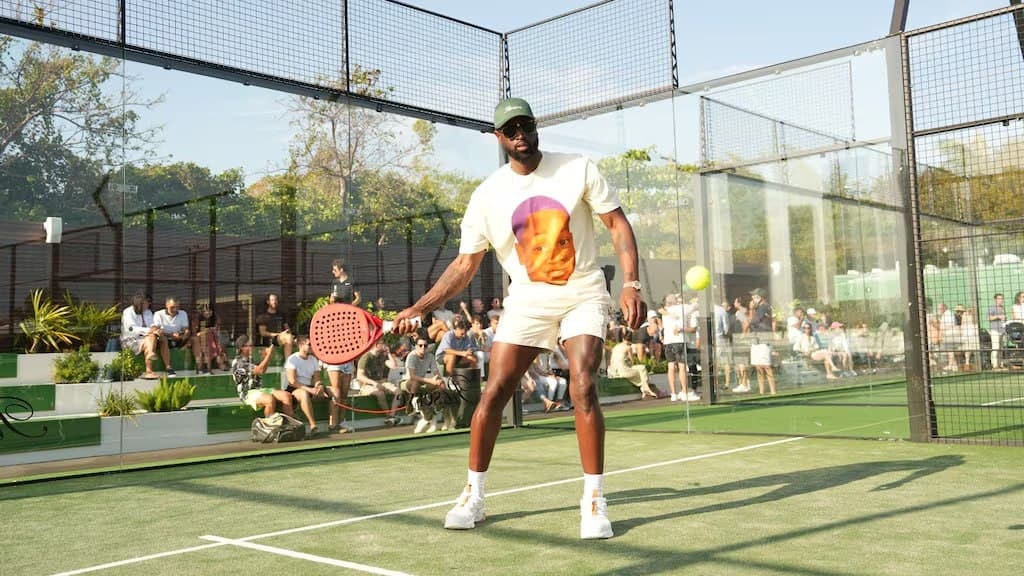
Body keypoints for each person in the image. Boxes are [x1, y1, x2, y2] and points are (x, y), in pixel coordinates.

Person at [394, 97, 645, 539]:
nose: (520, 135)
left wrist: (631, 283)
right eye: (510, 130)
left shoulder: (577, 168)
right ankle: (474, 495)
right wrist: (420, 307)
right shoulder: (487, 195)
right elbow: (463, 266)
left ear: (535, 127)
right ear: (499, 138)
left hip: (583, 291)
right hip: (527, 301)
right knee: (495, 392)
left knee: (583, 382)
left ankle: (594, 501)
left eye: (526, 126)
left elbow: (617, 225)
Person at [232, 335, 294, 417]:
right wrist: (268, 355)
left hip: (259, 390)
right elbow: (260, 370)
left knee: (286, 396)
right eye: (250, 345)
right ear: (242, 347)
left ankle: (290, 421)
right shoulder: (238, 362)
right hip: (247, 394)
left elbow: (262, 368)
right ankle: (269, 424)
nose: (253, 347)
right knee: (269, 399)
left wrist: (266, 356)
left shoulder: (250, 359)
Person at [283, 336, 327, 437]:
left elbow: (317, 378)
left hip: (309, 387)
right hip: (294, 389)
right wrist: (310, 390)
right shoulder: (292, 359)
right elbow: (292, 381)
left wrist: (319, 386)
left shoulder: (313, 359)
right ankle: (313, 426)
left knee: (334, 391)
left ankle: (335, 424)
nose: (312, 347)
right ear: (300, 345)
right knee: (304, 394)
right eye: (309, 344)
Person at [120, 291, 161, 379]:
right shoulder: (128, 312)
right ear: (139, 303)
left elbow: (151, 324)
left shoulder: (148, 312)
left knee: (152, 337)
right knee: (151, 338)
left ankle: (150, 360)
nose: (149, 305)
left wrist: (154, 328)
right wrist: (149, 330)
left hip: (145, 339)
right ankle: (149, 369)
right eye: (147, 302)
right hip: (131, 341)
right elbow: (131, 329)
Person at [152, 296, 190, 377]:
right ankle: (168, 367)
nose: (175, 310)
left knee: (195, 339)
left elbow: (185, 329)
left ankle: (200, 366)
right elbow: (156, 329)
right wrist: (170, 335)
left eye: (177, 307)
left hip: (179, 339)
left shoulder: (183, 313)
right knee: (163, 339)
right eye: (172, 307)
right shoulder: (158, 314)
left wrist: (183, 335)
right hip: (165, 339)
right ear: (166, 305)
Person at [256, 293, 294, 359]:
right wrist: (278, 334)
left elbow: (287, 328)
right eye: (272, 300)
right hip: (271, 340)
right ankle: (288, 363)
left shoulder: (281, 314)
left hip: (282, 337)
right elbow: (263, 333)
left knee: (302, 341)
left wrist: (292, 336)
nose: (275, 302)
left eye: (276, 300)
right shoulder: (263, 316)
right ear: (268, 302)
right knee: (288, 338)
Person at [192, 304, 227, 375]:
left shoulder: (214, 318)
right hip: (200, 338)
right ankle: (215, 363)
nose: (208, 312)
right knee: (208, 336)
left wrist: (211, 331)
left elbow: (217, 330)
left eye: (210, 310)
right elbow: (195, 334)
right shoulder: (198, 319)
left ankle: (208, 366)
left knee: (212, 336)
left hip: (211, 339)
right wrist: (207, 330)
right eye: (206, 311)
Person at [988, 293, 1006, 369]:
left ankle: (1000, 364)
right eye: (999, 298)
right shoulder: (992, 307)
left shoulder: (1002, 308)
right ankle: (994, 365)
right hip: (994, 330)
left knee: (1001, 348)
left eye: (1002, 298)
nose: (1001, 300)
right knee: (996, 347)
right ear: (995, 299)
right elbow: (989, 318)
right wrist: (998, 316)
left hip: (1002, 330)